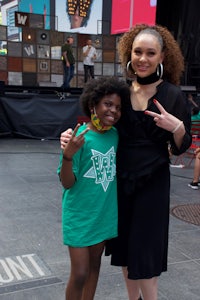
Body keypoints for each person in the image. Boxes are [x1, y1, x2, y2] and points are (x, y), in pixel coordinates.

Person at [60, 24, 192, 300]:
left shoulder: (172, 95)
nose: (143, 58)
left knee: (146, 255)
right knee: (127, 252)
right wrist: (69, 135)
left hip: (152, 184)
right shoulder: (120, 91)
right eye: (138, 52)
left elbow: (182, 146)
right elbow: (101, 122)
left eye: (150, 53)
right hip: (121, 184)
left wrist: (176, 126)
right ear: (129, 54)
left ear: (162, 57)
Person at [57, 76, 130, 300]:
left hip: (103, 216)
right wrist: (68, 157)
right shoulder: (79, 138)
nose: (113, 111)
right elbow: (67, 183)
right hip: (79, 217)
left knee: (94, 269)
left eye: (118, 107)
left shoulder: (116, 136)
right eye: (108, 104)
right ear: (93, 105)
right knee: (79, 273)